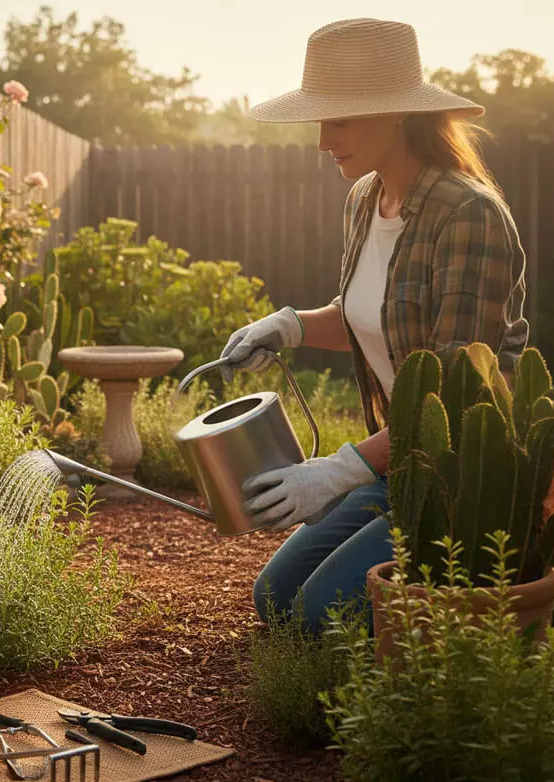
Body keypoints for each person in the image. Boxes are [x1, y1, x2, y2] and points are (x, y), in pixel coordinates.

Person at [218, 18, 529, 635]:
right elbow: (374, 318)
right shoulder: (366, 197)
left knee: (318, 618)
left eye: (339, 120)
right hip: (399, 467)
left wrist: (340, 469)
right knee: (275, 599)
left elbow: (453, 390)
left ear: (396, 115)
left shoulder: (469, 213)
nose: (321, 140)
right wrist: (290, 328)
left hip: (460, 476)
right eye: (320, 120)